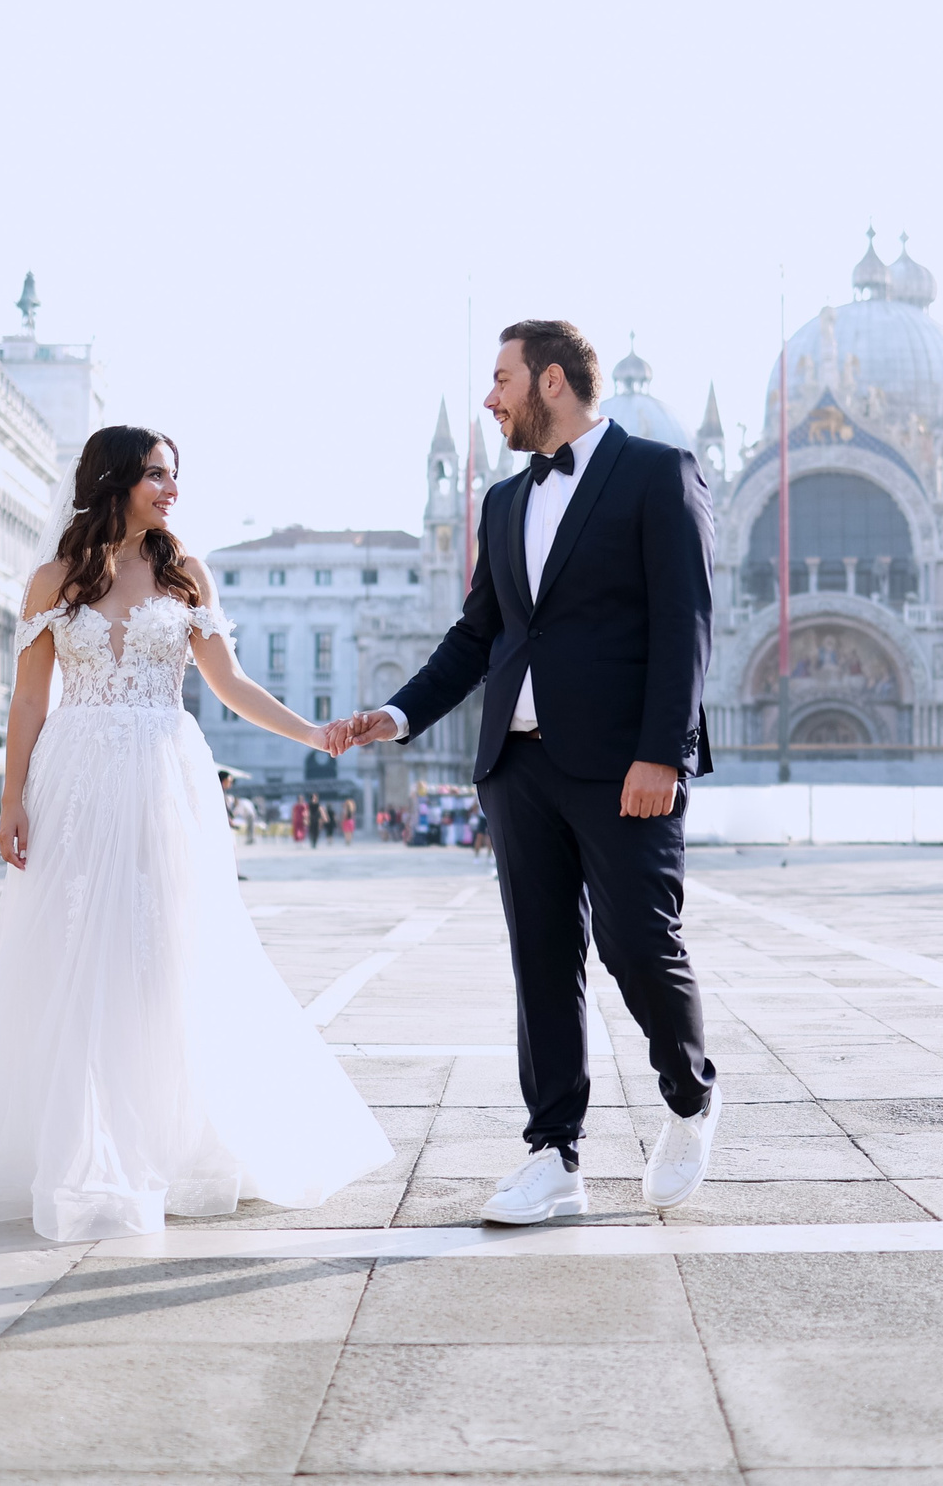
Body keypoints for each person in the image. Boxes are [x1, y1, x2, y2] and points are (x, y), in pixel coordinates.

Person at [0, 425, 388, 1242]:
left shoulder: (185, 573)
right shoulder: (52, 580)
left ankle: (167, 1140)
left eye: (174, 475)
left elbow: (232, 684)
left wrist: (314, 734)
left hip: (163, 776)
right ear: (115, 479)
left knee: (166, 952)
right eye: (156, 474)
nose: (171, 489)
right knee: (78, 953)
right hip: (74, 778)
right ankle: (83, 1147)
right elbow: (30, 702)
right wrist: (12, 797)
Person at [330, 319, 720, 1226]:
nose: (489, 396)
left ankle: (691, 1094)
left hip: (626, 764)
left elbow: (686, 621)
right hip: (517, 763)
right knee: (541, 961)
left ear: (549, 382)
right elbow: (480, 635)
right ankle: (555, 1152)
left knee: (636, 943)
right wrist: (398, 713)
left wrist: (661, 750)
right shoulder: (504, 503)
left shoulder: (659, 474)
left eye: (500, 377)